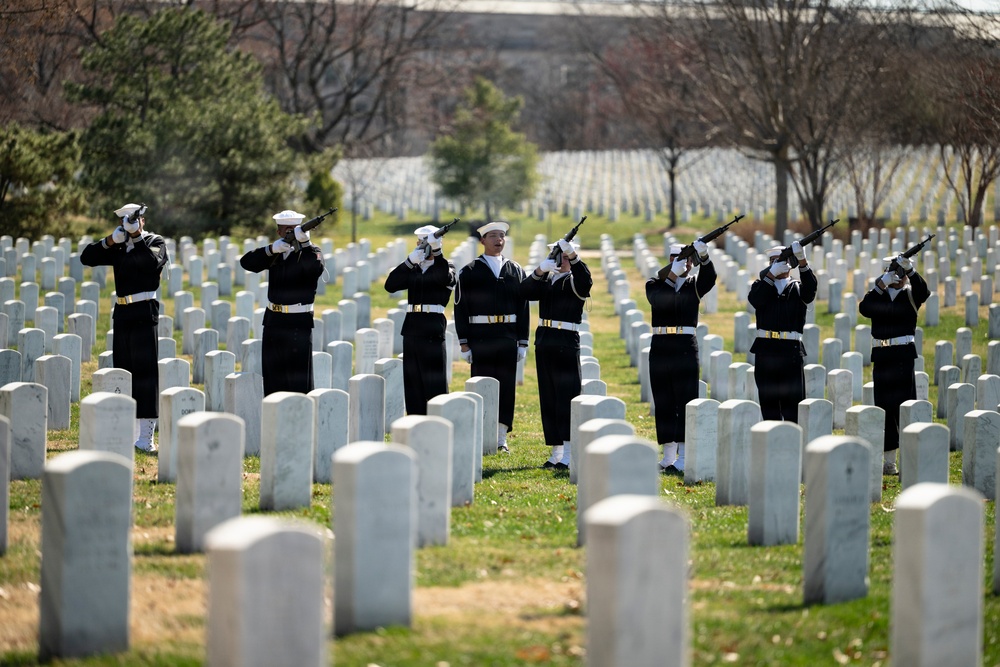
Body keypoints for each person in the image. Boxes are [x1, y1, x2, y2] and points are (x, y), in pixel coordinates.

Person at [80, 203, 168, 452]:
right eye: (123, 222)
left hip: (144, 311)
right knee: (123, 369)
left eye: (131, 221)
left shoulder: (155, 241)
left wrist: (137, 236)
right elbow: (87, 258)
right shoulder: (118, 245)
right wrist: (110, 240)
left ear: (142, 220)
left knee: (145, 372)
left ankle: (146, 438)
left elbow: (151, 263)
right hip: (122, 312)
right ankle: (127, 430)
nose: (126, 225)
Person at [453, 221, 529, 452]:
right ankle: (481, 433)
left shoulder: (515, 270)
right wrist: (464, 343)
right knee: (482, 386)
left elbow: (523, 308)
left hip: (507, 337)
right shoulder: (469, 271)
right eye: (493, 236)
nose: (499, 240)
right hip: (481, 338)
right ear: (482, 240)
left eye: (502, 235)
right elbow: (460, 308)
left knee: (506, 388)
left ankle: (500, 437)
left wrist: (522, 341)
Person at [520, 239, 592, 469]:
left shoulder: (575, 280)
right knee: (549, 396)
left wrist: (573, 256)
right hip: (545, 340)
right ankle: (556, 451)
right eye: (558, 255)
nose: (561, 260)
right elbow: (524, 291)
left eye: (565, 256)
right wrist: (540, 270)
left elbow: (586, 281)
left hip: (565, 341)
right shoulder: (547, 280)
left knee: (566, 395)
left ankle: (569, 452)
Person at [646, 240, 716, 472]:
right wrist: (671, 277)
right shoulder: (655, 283)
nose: (682, 263)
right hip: (661, 345)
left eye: (686, 259)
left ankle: (684, 456)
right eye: (676, 259)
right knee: (663, 400)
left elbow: (710, 278)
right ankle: (668, 456)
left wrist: (704, 257)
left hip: (685, 345)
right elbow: (659, 301)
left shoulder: (694, 285)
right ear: (669, 260)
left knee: (686, 399)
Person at [239, 209, 325, 396]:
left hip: (298, 324)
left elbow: (314, 269)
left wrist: (305, 244)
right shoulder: (276, 252)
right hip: (274, 322)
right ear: (279, 232)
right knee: (273, 379)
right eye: (288, 230)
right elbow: (246, 262)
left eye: (296, 229)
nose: (293, 233)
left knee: (298, 383)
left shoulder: (312, 252)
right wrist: (271, 249)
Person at [858, 254, 930, 475]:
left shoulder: (911, 294)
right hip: (882, 356)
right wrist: (881, 284)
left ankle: (910, 457)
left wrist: (911, 271)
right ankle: (889, 462)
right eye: (894, 272)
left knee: (905, 406)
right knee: (884, 408)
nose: (899, 277)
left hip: (903, 356)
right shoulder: (877, 295)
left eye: (901, 273)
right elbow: (864, 309)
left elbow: (924, 292)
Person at [383, 224, 457, 415]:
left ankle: (437, 421)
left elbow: (443, 278)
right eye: (419, 242)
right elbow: (390, 285)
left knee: (434, 382)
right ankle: (415, 420)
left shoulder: (447, 266)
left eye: (425, 243)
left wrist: (437, 252)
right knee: (413, 381)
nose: (420, 246)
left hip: (432, 329)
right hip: (412, 328)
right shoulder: (414, 268)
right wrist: (409, 262)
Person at [748, 241, 817, 422]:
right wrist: (770, 275)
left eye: (781, 260)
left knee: (793, 407)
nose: (777, 264)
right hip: (766, 351)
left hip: (790, 352)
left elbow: (810, 291)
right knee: (768, 405)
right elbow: (756, 300)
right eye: (773, 261)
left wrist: (802, 261)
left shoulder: (798, 287)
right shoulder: (761, 285)